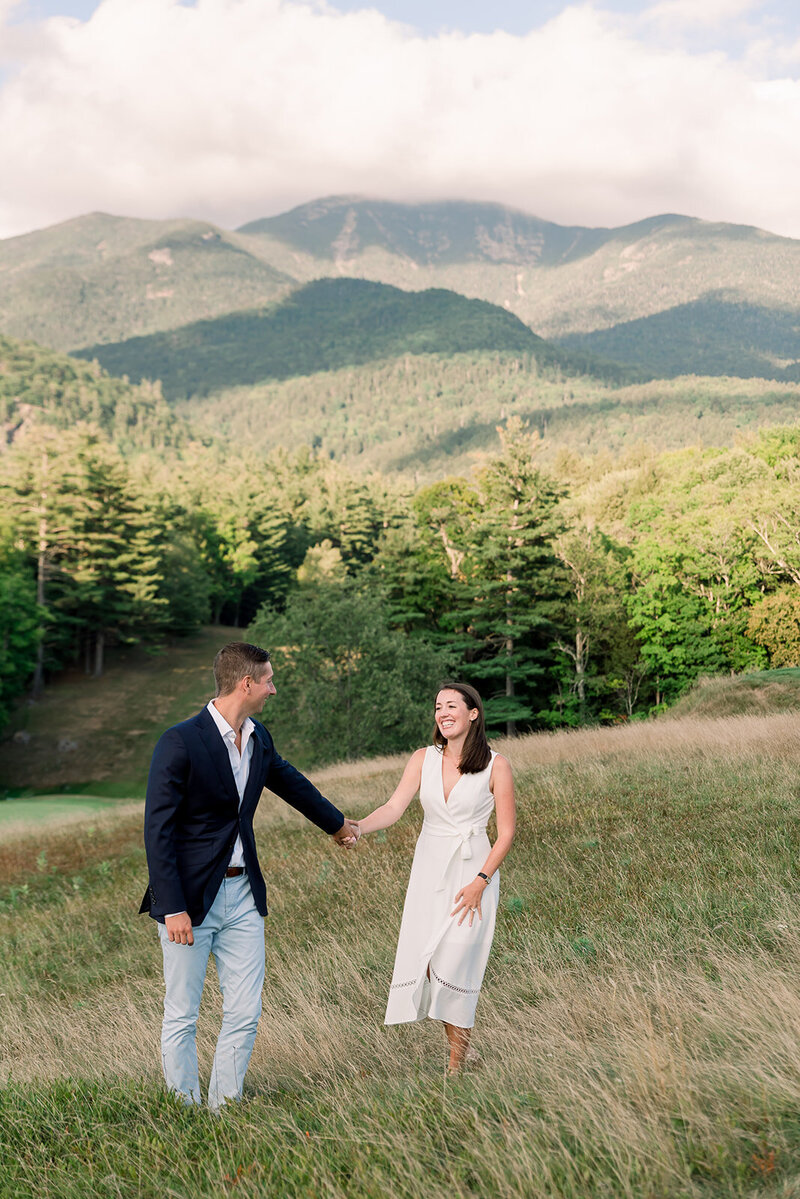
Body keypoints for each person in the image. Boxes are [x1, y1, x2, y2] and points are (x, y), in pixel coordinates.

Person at [139, 641, 358, 1109]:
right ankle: (185, 1107)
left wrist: (338, 825)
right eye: (268, 680)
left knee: (245, 1010)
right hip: (191, 900)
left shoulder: (258, 736)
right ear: (246, 683)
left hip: (243, 895)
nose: (272, 689)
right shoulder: (180, 741)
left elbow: (289, 781)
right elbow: (157, 831)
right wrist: (172, 905)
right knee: (183, 1013)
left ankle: (224, 1105)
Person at [355, 681, 515, 1073]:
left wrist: (481, 880)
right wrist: (358, 826)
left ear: (473, 713)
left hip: (472, 872)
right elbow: (394, 807)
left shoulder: (497, 765)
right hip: (429, 869)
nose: (442, 713)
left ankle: (456, 1065)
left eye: (451, 706)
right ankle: (464, 1049)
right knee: (430, 962)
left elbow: (507, 832)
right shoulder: (422, 758)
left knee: (458, 960)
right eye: (437, 707)